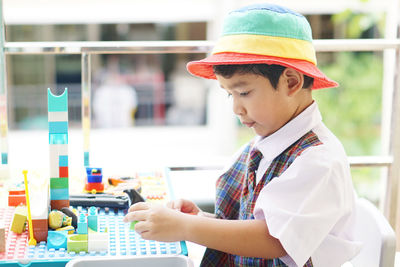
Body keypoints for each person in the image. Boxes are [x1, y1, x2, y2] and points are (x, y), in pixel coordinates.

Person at [123, 3, 361, 266]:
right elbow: (250, 225)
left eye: (244, 93)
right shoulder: (270, 140)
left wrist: (185, 227)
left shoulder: (318, 161)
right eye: (229, 94)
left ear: (291, 82)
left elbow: (273, 239)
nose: (236, 108)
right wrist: (200, 221)